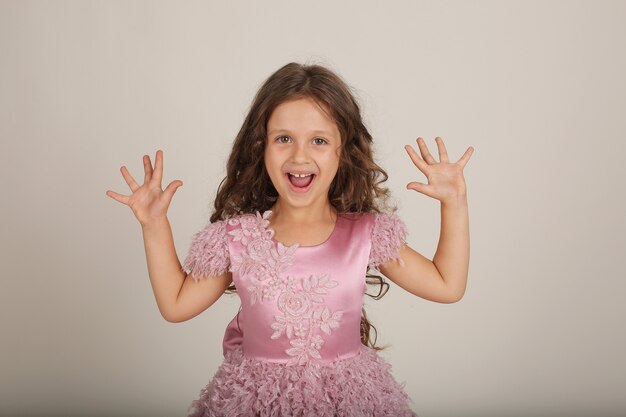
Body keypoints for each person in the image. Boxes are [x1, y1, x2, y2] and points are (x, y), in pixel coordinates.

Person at [106, 62, 473, 417]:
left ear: (342, 152)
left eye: (318, 140)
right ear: (260, 147)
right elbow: (175, 304)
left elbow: (446, 285)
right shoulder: (238, 238)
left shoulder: (365, 234)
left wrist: (454, 202)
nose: (300, 155)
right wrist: (154, 224)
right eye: (284, 139)